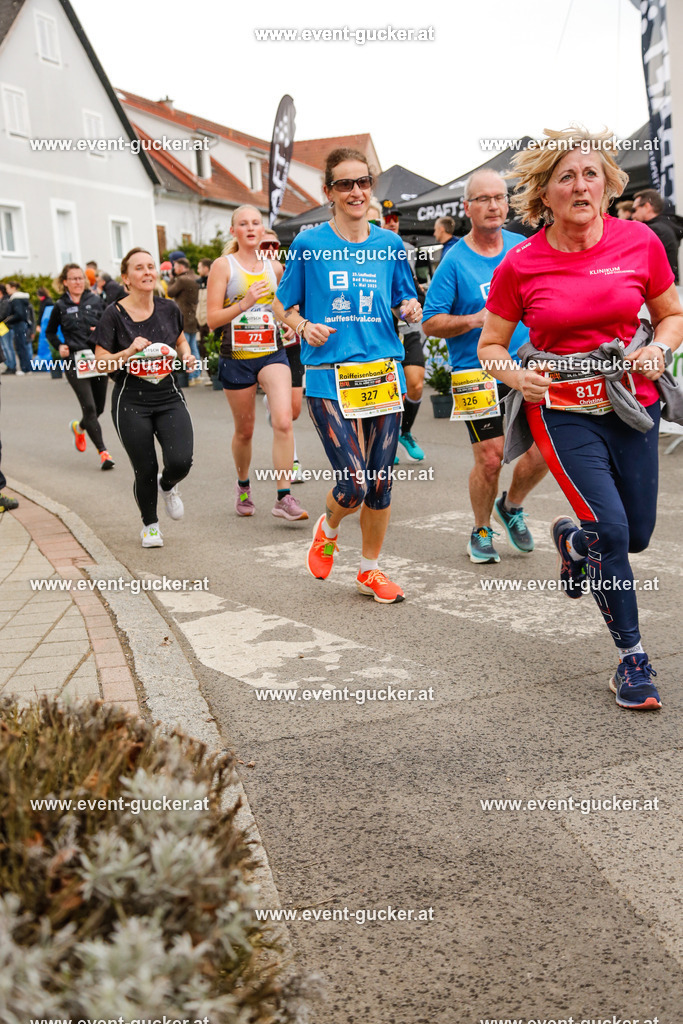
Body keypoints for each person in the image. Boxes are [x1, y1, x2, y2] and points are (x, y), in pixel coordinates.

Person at [479, 125, 683, 711]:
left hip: (631, 400)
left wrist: (659, 349)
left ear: (608, 185)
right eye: (566, 177)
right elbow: (493, 345)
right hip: (562, 410)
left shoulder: (639, 242)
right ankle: (632, 661)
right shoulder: (521, 263)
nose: (580, 185)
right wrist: (515, 375)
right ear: (545, 193)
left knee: (636, 534)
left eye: (591, 174)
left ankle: (573, 541)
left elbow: (670, 314)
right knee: (614, 532)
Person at [273, 147, 422, 603]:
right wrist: (301, 325)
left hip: (381, 372)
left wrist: (410, 306)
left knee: (380, 480)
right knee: (353, 483)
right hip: (328, 375)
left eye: (363, 182)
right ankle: (330, 525)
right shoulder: (309, 244)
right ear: (329, 191)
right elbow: (281, 304)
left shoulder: (390, 245)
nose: (356, 191)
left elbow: (402, 299)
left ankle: (370, 570)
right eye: (345, 184)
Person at [423, 169, 548, 563]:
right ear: (468, 208)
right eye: (483, 199)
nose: (493, 205)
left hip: (526, 364)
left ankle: (510, 506)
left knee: (546, 450)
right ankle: (480, 528)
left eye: (499, 197)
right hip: (475, 369)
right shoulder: (454, 261)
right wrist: (476, 320)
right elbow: (429, 322)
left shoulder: (523, 247)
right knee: (491, 458)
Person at [206, 206, 308, 522]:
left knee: (283, 420)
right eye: (243, 224)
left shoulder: (275, 269)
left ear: (262, 231)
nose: (250, 228)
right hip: (235, 357)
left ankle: (284, 496)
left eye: (255, 223)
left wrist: (292, 321)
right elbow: (212, 320)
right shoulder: (223, 267)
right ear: (234, 230)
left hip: (271, 353)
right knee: (245, 431)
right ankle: (243, 485)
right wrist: (246, 302)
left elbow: (285, 307)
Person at [93, 247, 198, 548]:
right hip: (131, 399)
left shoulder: (168, 308)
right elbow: (101, 363)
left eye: (151, 266)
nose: (147, 272)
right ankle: (150, 525)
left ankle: (169, 486)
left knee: (181, 461)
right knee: (145, 467)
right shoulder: (113, 314)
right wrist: (127, 352)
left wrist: (187, 355)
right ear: (126, 278)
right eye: (139, 268)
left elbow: (179, 341)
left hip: (168, 394)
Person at [45, 265, 114, 469]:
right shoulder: (60, 305)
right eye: (73, 279)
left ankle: (80, 427)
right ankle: (104, 453)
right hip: (75, 361)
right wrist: (60, 346)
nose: (78, 282)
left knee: (99, 407)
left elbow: (110, 325)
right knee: (90, 407)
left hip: (96, 359)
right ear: (64, 282)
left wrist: (100, 330)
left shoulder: (95, 300)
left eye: (80, 278)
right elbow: (50, 332)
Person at [382, 200, 427, 462]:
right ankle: (383, 441)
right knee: (388, 390)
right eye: (387, 218)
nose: (392, 221)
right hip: (382, 329)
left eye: (395, 217)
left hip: (408, 326)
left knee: (416, 384)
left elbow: (420, 283)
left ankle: (404, 432)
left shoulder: (410, 249)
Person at [260, 230, 304, 482]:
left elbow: (299, 302)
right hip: (266, 348)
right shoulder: (248, 275)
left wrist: (293, 319)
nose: (269, 249)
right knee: (285, 413)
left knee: (295, 410)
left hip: (291, 344)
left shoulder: (288, 270)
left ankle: (272, 408)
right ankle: (293, 460)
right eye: (264, 244)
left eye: (273, 245)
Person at [631, 189, 680, 282]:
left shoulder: (653, 231)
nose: (633, 215)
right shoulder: (665, 226)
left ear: (647, 207)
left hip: (660, 288)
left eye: (634, 210)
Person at [167, 257, 201, 385]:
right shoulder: (196, 277)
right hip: (194, 315)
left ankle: (191, 375)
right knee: (193, 347)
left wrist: (171, 278)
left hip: (183, 317)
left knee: (185, 347)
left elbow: (170, 292)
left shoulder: (182, 279)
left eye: (175, 267)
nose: (174, 270)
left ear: (181, 267)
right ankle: (196, 375)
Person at [3, 281, 34, 375]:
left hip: (19, 325)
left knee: (21, 347)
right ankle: (27, 368)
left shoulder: (16, 299)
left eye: (8, 288)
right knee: (23, 346)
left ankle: (25, 368)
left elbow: (19, 314)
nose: (7, 290)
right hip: (22, 324)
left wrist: (7, 320)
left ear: (13, 288)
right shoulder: (21, 298)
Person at [0, 284, 15, 375]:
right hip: (3, 327)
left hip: (6, 327)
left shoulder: (5, 301)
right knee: (5, 347)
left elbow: (2, 315)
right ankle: (9, 365)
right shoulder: (3, 300)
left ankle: (12, 366)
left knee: (8, 347)